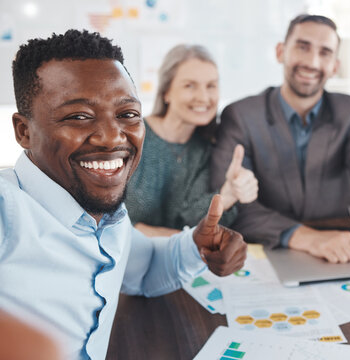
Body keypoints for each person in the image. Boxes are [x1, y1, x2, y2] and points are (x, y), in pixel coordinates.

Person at [0, 29, 247, 360]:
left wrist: (196, 246)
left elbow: (143, 270)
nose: (111, 137)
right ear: (24, 131)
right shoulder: (8, 210)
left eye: (127, 114)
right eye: (78, 116)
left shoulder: (108, 214)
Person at [211, 14, 350, 264]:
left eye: (325, 52)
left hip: (337, 251)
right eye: (303, 47)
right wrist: (307, 238)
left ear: (335, 66)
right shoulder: (242, 115)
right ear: (281, 52)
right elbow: (228, 203)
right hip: (267, 250)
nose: (312, 62)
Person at [125, 44, 258, 237]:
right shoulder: (130, 137)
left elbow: (188, 220)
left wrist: (229, 194)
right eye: (190, 85)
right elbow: (107, 219)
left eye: (211, 86)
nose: (203, 97)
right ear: (166, 92)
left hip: (174, 259)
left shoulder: (205, 149)